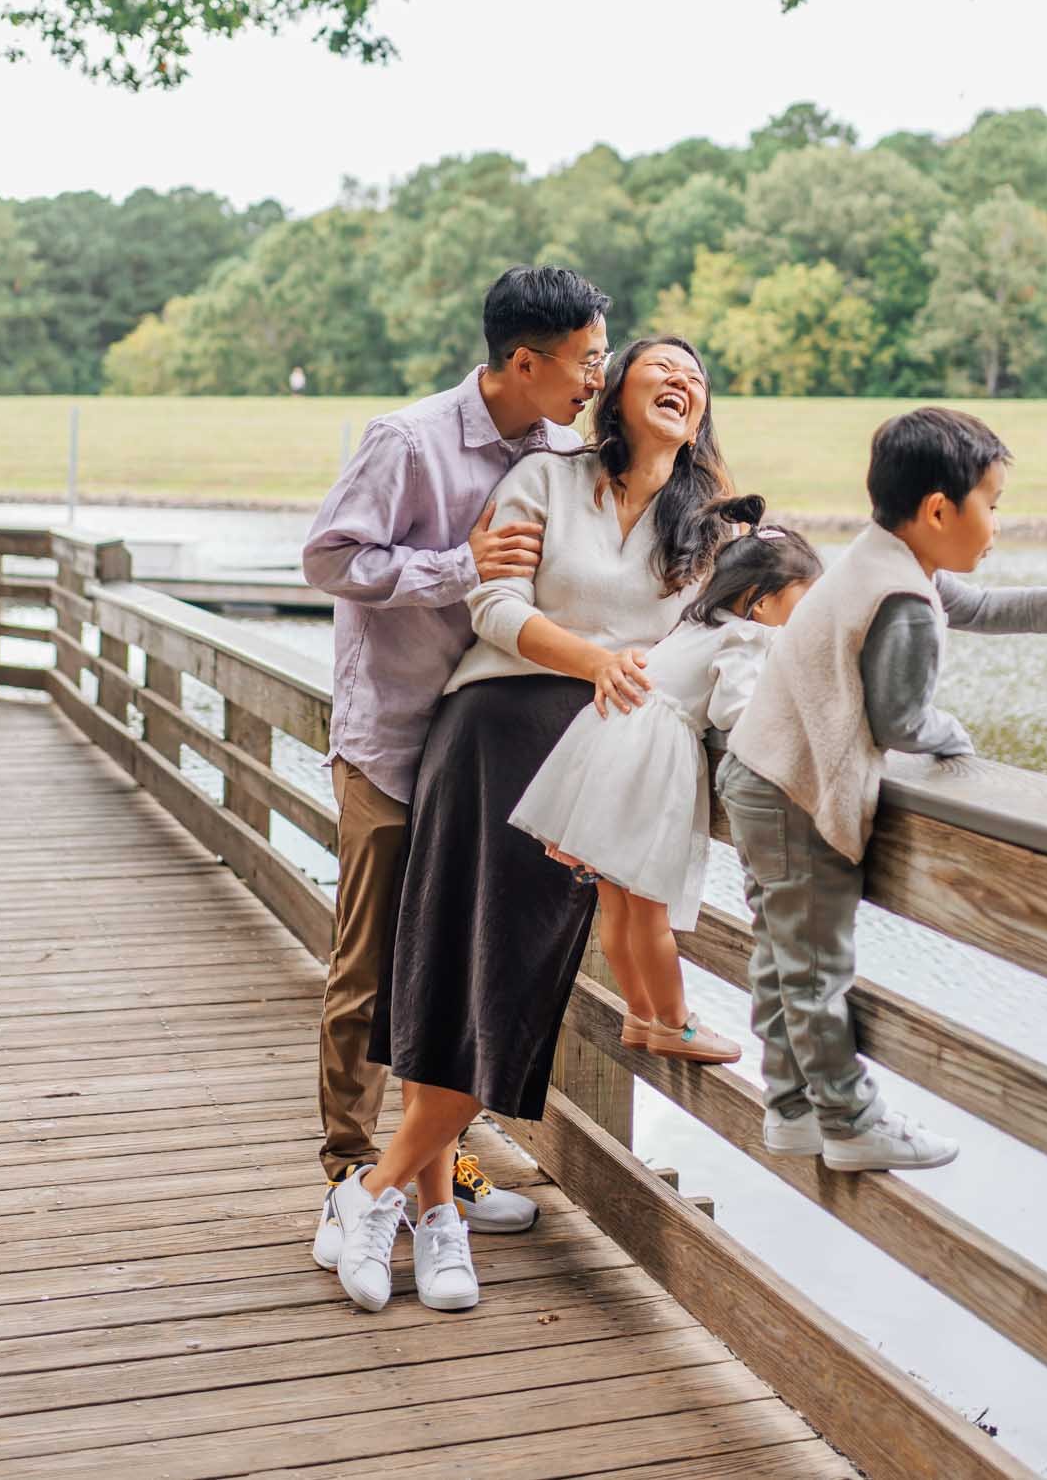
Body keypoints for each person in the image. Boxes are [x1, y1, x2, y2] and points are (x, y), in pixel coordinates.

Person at [328, 336, 740, 1317]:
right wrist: (594, 658)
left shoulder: (711, 530)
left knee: (513, 991)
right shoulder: (545, 478)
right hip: (490, 735)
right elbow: (493, 601)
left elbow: (729, 650)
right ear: (617, 392)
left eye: (696, 373)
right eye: (659, 367)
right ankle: (436, 1220)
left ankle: (377, 1195)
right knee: (454, 972)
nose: (680, 381)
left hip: (595, 767)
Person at [718, 406, 1047, 1174]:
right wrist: (955, 741)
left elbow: (968, 605)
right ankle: (849, 1121)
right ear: (941, 509)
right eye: (993, 505)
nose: (998, 524)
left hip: (759, 773)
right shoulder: (902, 597)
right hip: (794, 793)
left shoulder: (882, 558)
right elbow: (902, 718)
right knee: (815, 966)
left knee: (783, 957)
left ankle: (791, 1109)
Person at [301, 265, 611, 1271]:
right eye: (585, 363)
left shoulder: (568, 452)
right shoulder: (407, 441)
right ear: (524, 361)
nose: (594, 383)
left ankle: (444, 1174)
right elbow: (329, 558)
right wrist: (458, 567)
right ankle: (351, 1179)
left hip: (496, 761)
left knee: (457, 970)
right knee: (371, 971)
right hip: (397, 743)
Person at [510, 519, 825, 1063]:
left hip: (610, 744)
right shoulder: (747, 637)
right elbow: (734, 711)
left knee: (617, 905)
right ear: (762, 603)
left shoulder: (696, 623)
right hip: (650, 764)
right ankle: (675, 1025)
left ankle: (639, 1013)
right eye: (806, 599)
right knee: (650, 910)